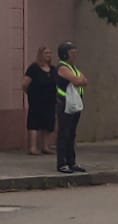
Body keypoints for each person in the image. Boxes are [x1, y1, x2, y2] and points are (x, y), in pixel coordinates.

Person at [54, 41, 86, 174]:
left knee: (71, 134)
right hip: (64, 104)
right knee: (64, 133)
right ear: (65, 54)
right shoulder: (62, 67)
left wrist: (79, 79)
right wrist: (79, 79)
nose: (75, 55)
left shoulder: (73, 67)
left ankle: (71, 161)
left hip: (74, 105)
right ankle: (62, 163)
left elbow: (85, 81)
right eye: (72, 53)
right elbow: (79, 81)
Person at [22, 46, 59, 157]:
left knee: (48, 123)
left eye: (50, 53)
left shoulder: (53, 69)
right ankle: (33, 147)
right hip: (36, 100)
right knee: (34, 123)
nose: (48, 55)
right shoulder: (33, 68)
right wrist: (31, 94)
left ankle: (45, 146)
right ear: (40, 54)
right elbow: (24, 84)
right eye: (46, 53)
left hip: (50, 100)